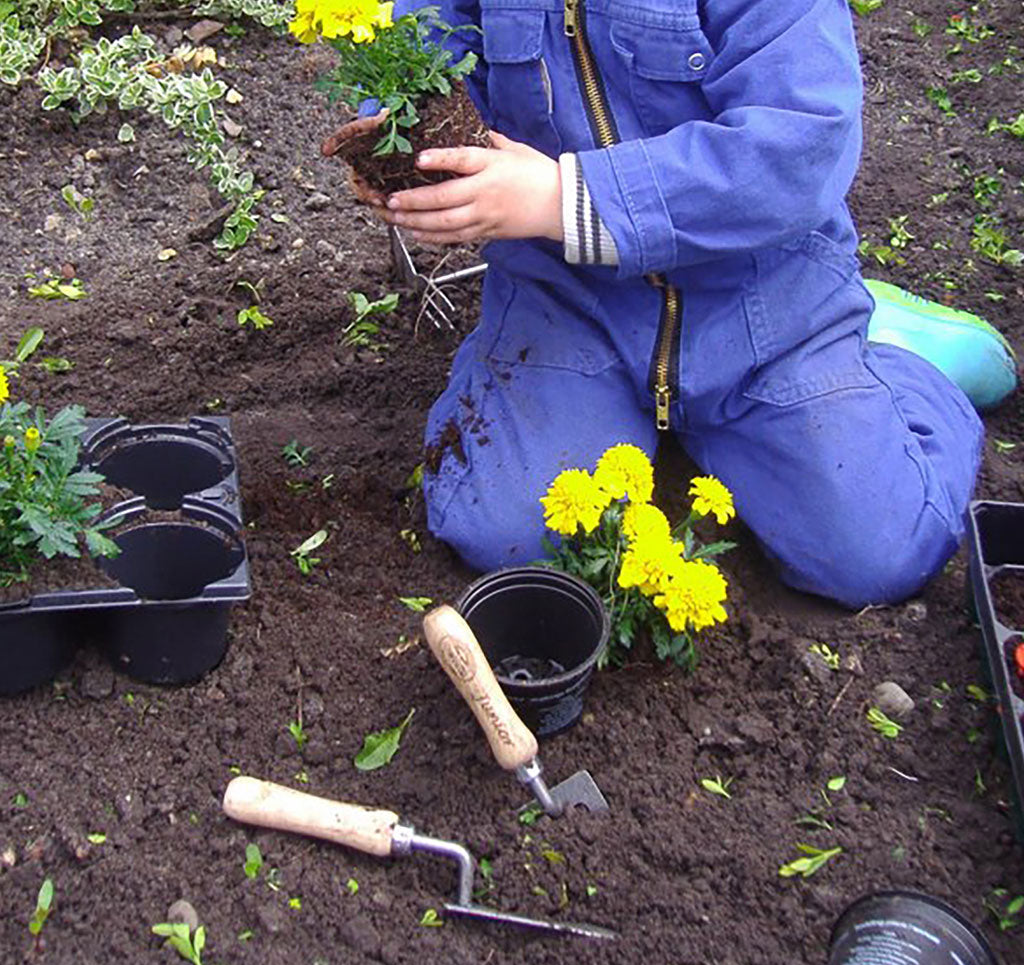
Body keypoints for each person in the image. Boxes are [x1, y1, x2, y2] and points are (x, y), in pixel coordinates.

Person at [360, 0, 1016, 608]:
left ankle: (899, 362)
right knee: (502, 531)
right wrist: (395, 131)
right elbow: (427, 39)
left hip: (763, 305)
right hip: (568, 299)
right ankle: (551, 384)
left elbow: (804, 140)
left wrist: (566, 196)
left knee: (874, 551)